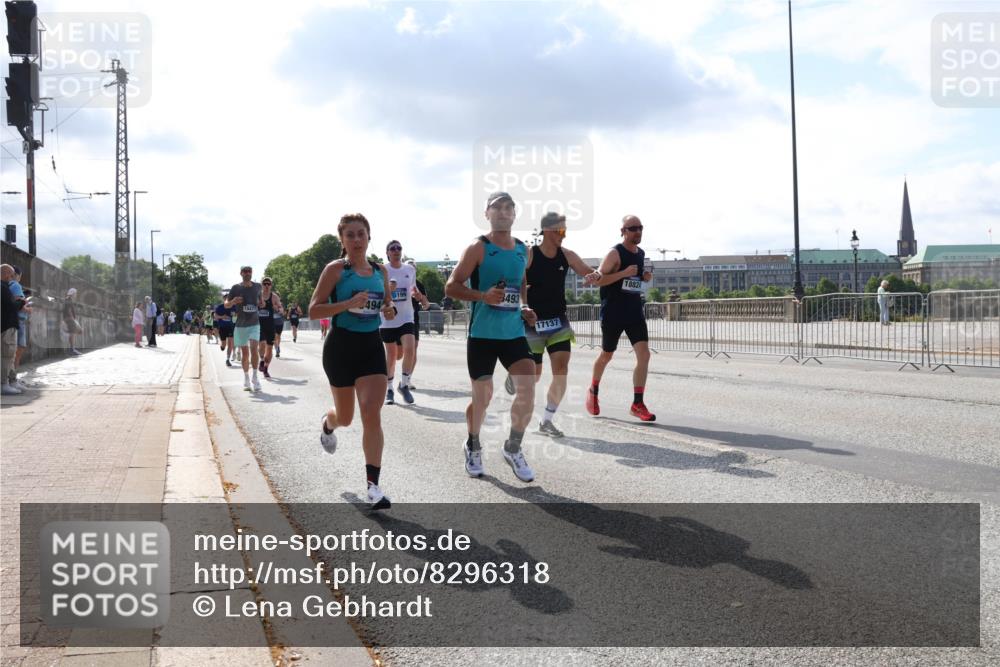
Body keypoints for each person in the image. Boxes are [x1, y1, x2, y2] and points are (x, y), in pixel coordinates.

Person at [445, 191, 538, 483]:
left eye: (509, 208)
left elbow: (521, 283)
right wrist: (482, 296)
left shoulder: (524, 249)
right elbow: (451, 286)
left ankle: (513, 448)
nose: (503, 212)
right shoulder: (478, 247)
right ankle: (472, 443)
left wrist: (524, 305)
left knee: (528, 387)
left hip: (512, 334)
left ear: (515, 214)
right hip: (482, 335)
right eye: (497, 208)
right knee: (482, 398)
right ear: (487, 213)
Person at [308, 213, 397, 510]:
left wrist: (389, 310)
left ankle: (374, 486)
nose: (357, 240)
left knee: (371, 413)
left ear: (369, 237)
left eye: (361, 234)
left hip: (371, 347)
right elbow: (313, 310)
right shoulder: (336, 270)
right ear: (342, 240)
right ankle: (328, 424)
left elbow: (386, 305)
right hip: (341, 348)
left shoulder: (379, 271)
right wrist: (348, 303)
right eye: (350, 235)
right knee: (346, 418)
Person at [504, 212, 601, 437]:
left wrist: (595, 276)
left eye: (565, 231)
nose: (563, 236)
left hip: (558, 321)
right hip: (532, 322)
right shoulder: (529, 255)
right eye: (560, 231)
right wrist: (522, 304)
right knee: (534, 375)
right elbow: (515, 279)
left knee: (561, 370)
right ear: (547, 230)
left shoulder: (567, 256)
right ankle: (515, 373)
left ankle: (546, 420)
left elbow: (590, 272)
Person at [586, 215, 656, 422]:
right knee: (606, 355)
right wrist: (623, 272)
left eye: (640, 228)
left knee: (644, 355)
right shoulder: (614, 253)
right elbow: (600, 279)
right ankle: (593, 391)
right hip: (613, 313)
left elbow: (636, 280)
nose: (638, 232)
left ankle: (637, 403)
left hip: (634, 311)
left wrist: (644, 278)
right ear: (623, 231)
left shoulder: (641, 253)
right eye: (633, 228)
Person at [380, 241, 428, 406]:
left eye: (399, 248)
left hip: (407, 316)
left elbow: (413, 290)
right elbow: (377, 294)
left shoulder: (410, 270)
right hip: (388, 319)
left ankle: (404, 384)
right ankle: (389, 389)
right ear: (387, 253)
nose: (396, 251)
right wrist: (389, 291)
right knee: (392, 355)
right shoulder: (382, 270)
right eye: (392, 248)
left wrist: (417, 295)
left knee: (410, 348)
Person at [225, 266, 264, 392]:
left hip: (254, 323)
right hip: (241, 325)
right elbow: (226, 304)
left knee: (254, 348)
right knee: (245, 353)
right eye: (245, 271)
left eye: (249, 271)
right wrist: (233, 301)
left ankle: (255, 377)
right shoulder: (236, 288)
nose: (247, 273)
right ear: (241, 273)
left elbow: (261, 301)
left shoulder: (258, 286)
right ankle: (246, 377)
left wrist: (261, 303)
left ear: (252, 273)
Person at [1, 264, 25, 395]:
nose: (12, 278)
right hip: (7, 326)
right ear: (5, 274)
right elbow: (11, 306)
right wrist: (21, 302)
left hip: (8, 326)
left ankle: (11, 381)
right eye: (10, 275)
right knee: (7, 356)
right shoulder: (3, 287)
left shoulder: (5, 287)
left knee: (10, 356)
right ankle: (4, 383)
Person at [8, 266, 31, 387]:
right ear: (17, 275)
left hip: (10, 320)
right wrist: (28, 307)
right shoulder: (16, 285)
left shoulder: (6, 285)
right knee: (18, 349)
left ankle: (11, 378)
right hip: (19, 320)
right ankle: (13, 378)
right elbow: (18, 302)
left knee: (12, 351)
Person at [256, 277, 283, 379]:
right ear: (261, 285)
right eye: (264, 283)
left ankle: (266, 368)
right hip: (259, 325)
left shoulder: (274, 297)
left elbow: (281, 308)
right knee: (262, 344)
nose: (266, 286)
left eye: (268, 284)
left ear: (271, 285)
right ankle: (262, 360)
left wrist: (279, 309)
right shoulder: (258, 296)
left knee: (270, 348)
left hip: (270, 325)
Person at [63, 288, 83, 355]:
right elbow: (69, 310)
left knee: (75, 332)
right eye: (75, 293)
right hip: (69, 318)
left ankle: (72, 349)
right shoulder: (68, 299)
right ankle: (72, 349)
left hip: (69, 318)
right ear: (72, 293)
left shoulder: (69, 299)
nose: (76, 295)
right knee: (72, 333)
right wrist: (73, 319)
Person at [215, 301, 236, 366]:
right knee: (224, 344)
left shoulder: (234, 307)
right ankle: (222, 346)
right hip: (222, 327)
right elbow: (215, 316)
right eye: (226, 298)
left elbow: (238, 314)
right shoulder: (220, 307)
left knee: (230, 343)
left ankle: (228, 359)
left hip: (231, 327)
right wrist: (222, 317)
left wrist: (235, 315)